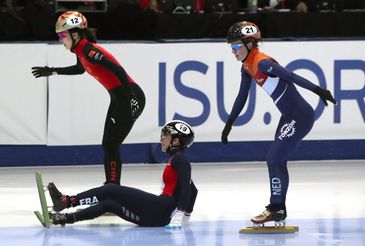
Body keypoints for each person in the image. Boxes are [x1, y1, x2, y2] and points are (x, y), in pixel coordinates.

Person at [221, 21, 336, 225]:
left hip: (299, 117)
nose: (233, 51)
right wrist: (229, 122)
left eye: (235, 46)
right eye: (231, 47)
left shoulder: (263, 63)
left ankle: (275, 208)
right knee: (277, 160)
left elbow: (290, 76)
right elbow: (241, 96)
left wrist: (319, 90)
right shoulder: (247, 66)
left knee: (273, 158)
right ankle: (279, 208)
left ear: (249, 43)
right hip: (289, 116)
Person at [31, 11, 145, 185]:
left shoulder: (89, 51)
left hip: (130, 96)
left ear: (75, 34)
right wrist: (53, 70)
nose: (60, 39)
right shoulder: (80, 50)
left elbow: (118, 70)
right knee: (108, 144)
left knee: (111, 144)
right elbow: (80, 69)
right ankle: (111, 186)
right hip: (119, 97)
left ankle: (113, 188)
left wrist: (131, 97)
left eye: (62, 35)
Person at [48, 120, 198, 228]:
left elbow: (186, 188)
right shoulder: (179, 160)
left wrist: (179, 215)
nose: (161, 139)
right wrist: (186, 217)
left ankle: (65, 202)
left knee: (111, 189)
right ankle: (64, 218)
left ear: (176, 140)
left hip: (159, 208)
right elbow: (194, 190)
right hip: (158, 217)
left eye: (165, 135)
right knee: (108, 204)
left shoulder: (179, 159)